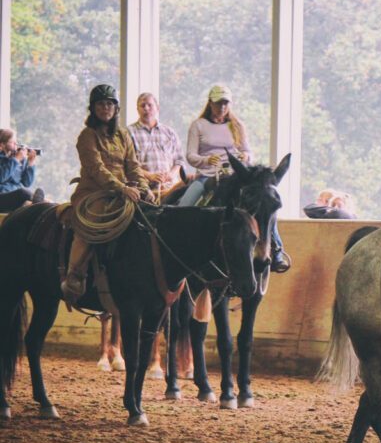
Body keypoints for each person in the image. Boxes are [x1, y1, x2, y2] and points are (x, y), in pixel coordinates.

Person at [180, 85, 290, 273]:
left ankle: (277, 249)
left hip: (237, 176)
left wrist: (245, 157)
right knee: (185, 204)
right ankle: (181, 244)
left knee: (265, 203)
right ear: (210, 103)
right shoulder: (198, 125)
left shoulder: (237, 125)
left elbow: (247, 151)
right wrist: (206, 159)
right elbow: (190, 155)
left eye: (225, 103)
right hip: (209, 175)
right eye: (218, 103)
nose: (222, 107)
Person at [61, 84, 153, 303]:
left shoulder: (123, 134)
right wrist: (122, 188)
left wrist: (144, 188)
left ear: (116, 108)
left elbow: (133, 166)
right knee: (91, 225)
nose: (106, 108)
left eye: (110, 103)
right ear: (93, 108)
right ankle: (74, 275)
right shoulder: (87, 135)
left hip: (124, 192)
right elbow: (96, 168)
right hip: (94, 193)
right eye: (101, 104)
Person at [127, 92, 188, 199]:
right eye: (142, 105)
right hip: (143, 190)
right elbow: (127, 164)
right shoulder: (128, 133)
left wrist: (171, 174)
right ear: (137, 109)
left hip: (170, 188)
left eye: (150, 105)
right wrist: (150, 176)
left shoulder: (169, 132)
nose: (146, 108)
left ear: (157, 108)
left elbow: (179, 160)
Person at [0, 128, 44, 212]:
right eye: (12, 142)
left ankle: (40, 204)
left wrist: (30, 163)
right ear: (2, 144)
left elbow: (27, 183)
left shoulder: (18, 158)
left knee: (24, 194)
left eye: (16, 141)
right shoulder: (15, 159)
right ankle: (40, 203)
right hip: (2, 196)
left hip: (15, 196)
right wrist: (16, 160)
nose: (16, 144)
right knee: (23, 193)